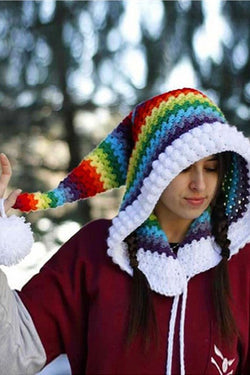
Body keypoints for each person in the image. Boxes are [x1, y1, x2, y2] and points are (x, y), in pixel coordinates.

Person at [0, 87, 249, 375]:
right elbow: (12, 353)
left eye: (211, 168)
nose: (200, 184)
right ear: (151, 168)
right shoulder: (94, 251)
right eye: (184, 167)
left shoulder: (241, 262)